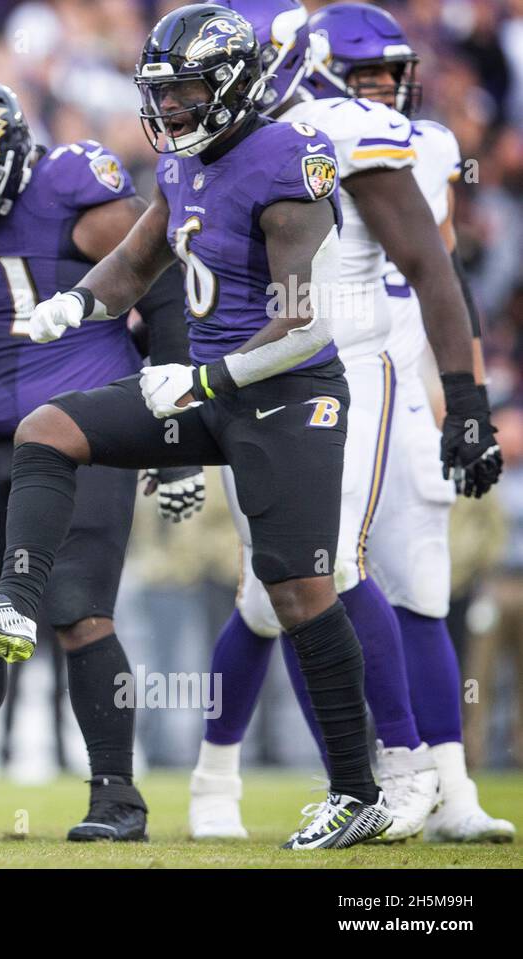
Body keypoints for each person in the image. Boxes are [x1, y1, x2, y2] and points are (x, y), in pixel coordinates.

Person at [0, 2, 440, 849]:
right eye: (163, 91)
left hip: (287, 395)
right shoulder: (188, 164)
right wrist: (71, 305)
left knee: (300, 589)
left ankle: (357, 788)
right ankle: (13, 605)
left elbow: (304, 325)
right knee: (52, 427)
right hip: (212, 389)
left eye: (187, 90)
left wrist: (199, 377)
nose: (171, 108)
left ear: (230, 86)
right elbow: (134, 264)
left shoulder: (286, 159)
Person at [190, 0, 513, 844]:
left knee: (394, 578)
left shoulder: (359, 131)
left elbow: (434, 267)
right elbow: (174, 269)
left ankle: (430, 780)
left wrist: (465, 398)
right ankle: (246, 777)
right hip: (264, 373)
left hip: (375, 375)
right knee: (278, 590)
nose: (382, 88)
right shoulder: (214, 150)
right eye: (366, 72)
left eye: (388, 75)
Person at [0, 79, 190, 841]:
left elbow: (167, 281)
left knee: (79, 611)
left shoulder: (70, 188)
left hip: (82, 433)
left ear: (12, 162)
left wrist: (177, 433)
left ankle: (118, 799)